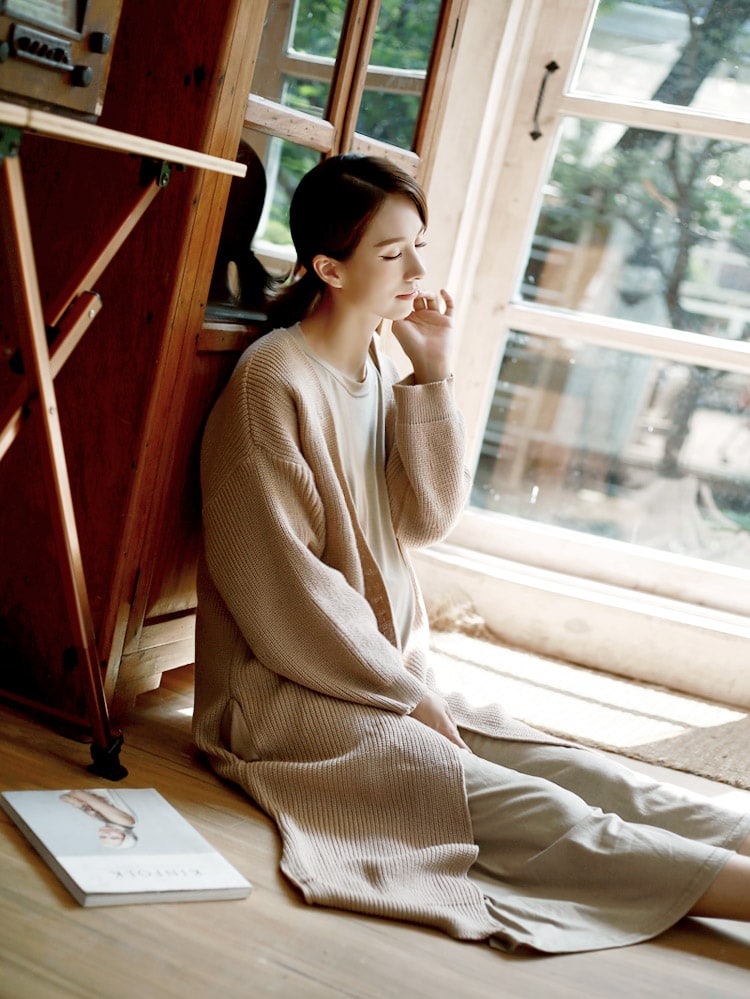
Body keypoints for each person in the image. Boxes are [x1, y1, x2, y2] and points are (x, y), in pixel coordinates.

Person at [193, 154, 750, 954]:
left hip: (386, 674)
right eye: (393, 253)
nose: (419, 272)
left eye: (419, 245)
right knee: (539, 810)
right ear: (329, 269)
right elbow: (289, 598)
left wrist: (433, 371)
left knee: (584, 771)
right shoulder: (271, 384)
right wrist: (407, 696)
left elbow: (428, 518)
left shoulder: (376, 364)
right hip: (291, 694)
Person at [60, 789, 138, 849]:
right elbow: (77, 793)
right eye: (114, 837)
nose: (106, 834)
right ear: (126, 835)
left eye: (102, 836)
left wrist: (83, 805)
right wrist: (83, 805)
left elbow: (64, 797)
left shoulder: (107, 821)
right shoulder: (127, 822)